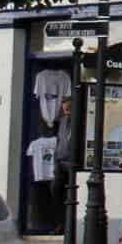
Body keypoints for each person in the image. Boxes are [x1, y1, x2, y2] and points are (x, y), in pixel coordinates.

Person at [51, 97, 77, 235]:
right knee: (55, 190)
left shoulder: (78, 121)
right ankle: (60, 223)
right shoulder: (62, 121)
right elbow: (59, 141)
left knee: (71, 194)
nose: (66, 111)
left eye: (68, 109)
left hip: (71, 163)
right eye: (64, 109)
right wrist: (55, 161)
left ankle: (70, 225)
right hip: (60, 162)